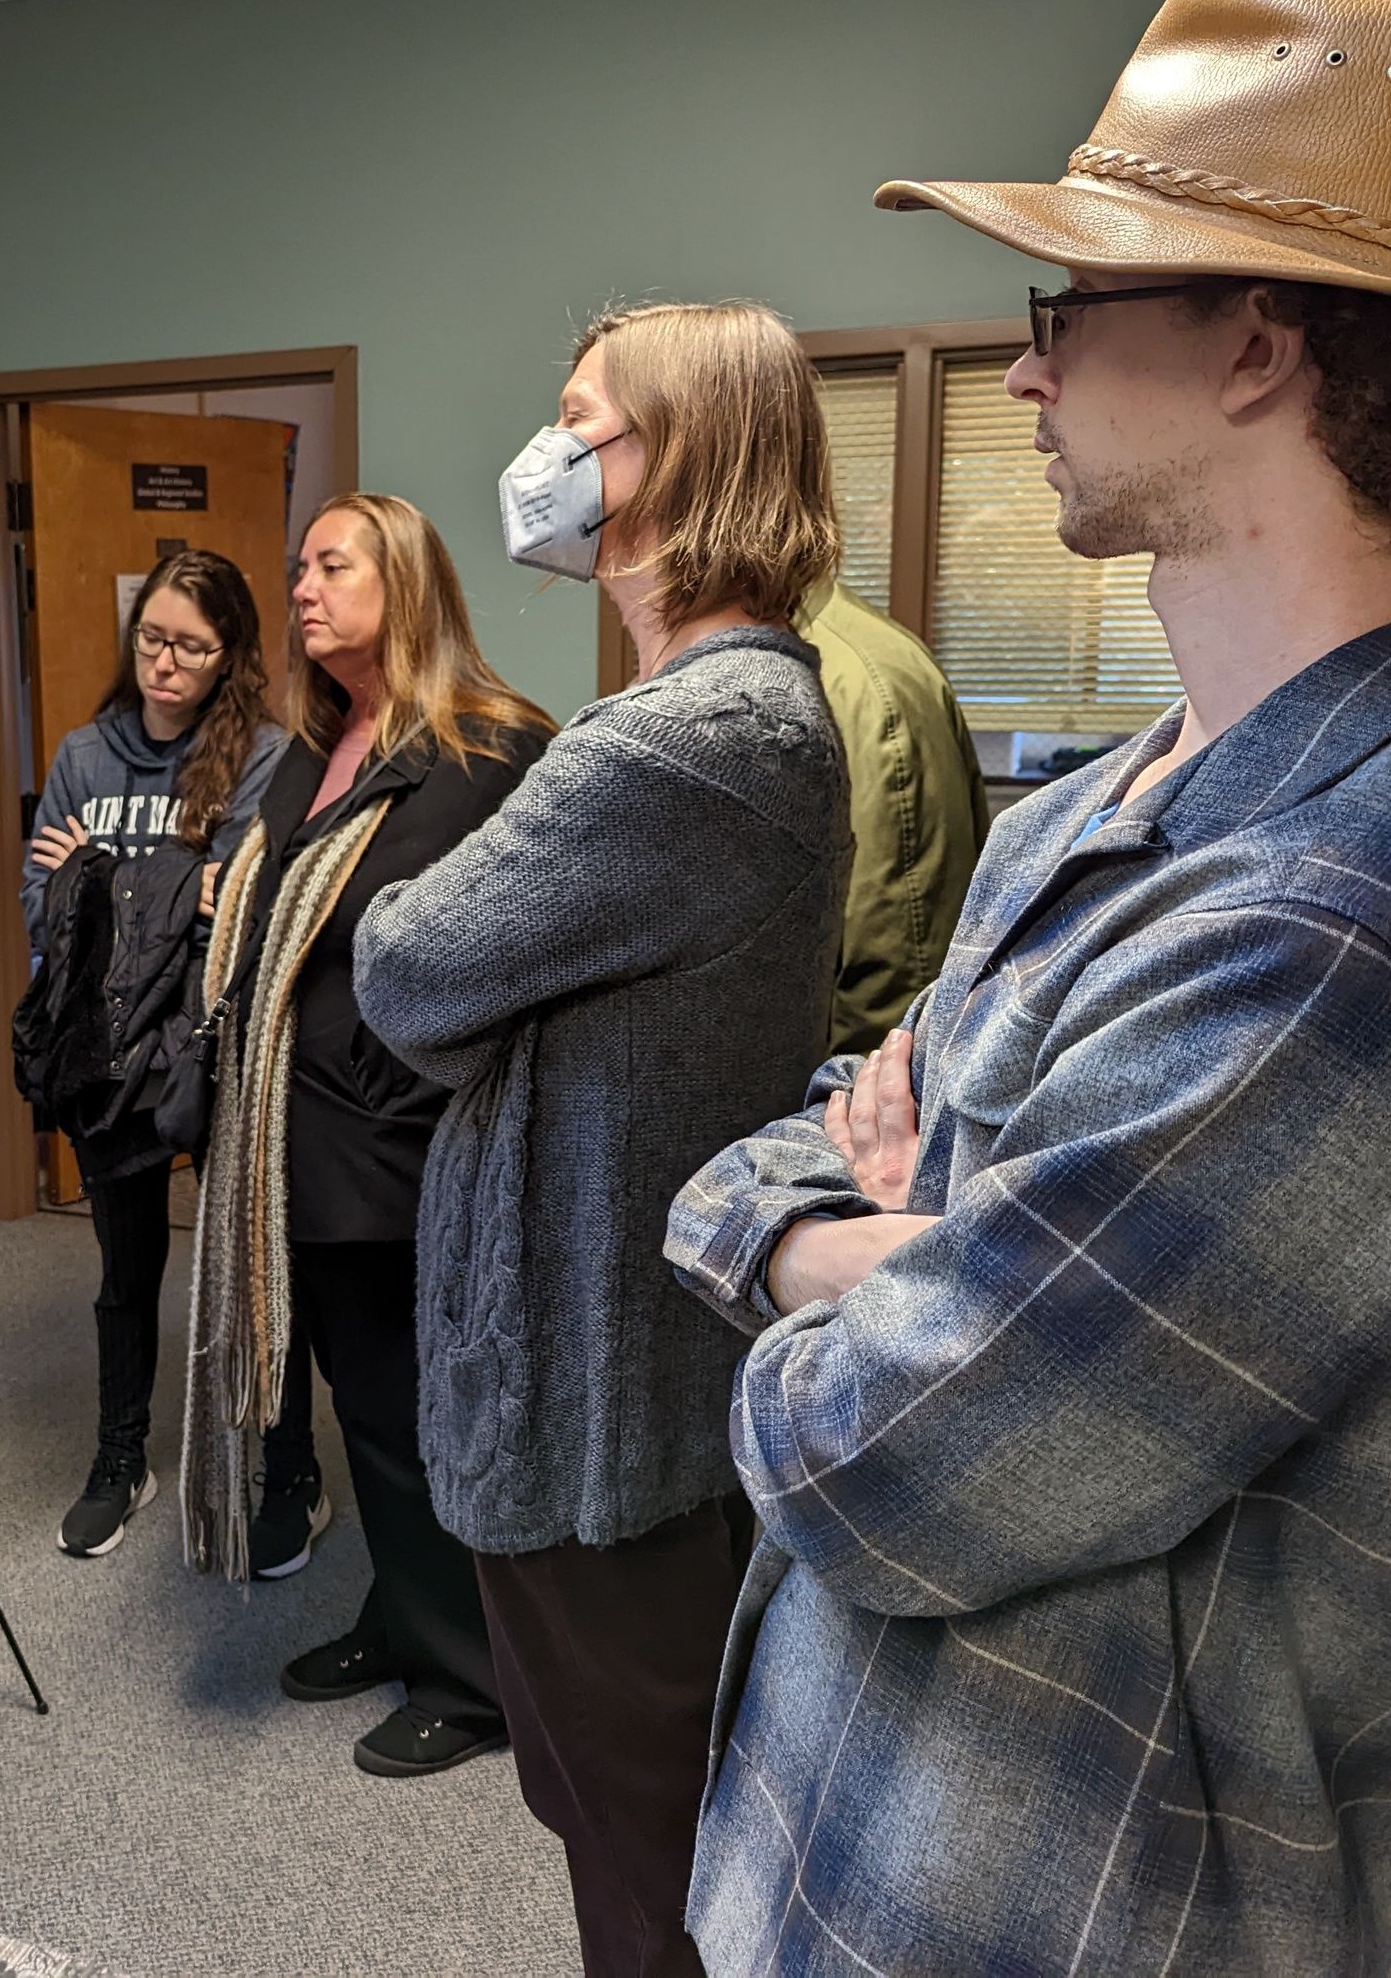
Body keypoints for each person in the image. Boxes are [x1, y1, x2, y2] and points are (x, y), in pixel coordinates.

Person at [665, 0, 1391, 1977]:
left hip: (1052, 1908)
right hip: (846, 1826)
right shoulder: (1113, 797)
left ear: (1252, 345)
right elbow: (784, 1151)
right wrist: (889, 1240)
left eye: (1065, 310)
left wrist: (849, 1253)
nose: (1024, 373)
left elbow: (883, 1464)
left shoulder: (1368, 927)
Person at [352, 303, 851, 1975]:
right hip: (615, 1358)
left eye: (582, 421)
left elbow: (405, 965)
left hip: (597, 1389)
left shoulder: (692, 740)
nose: (545, 457)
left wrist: (457, 962)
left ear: (685, 457)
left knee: (647, 1841)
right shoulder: (703, 712)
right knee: (620, 1809)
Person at [182, 492, 553, 1777]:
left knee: (413, 1413)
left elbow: (516, 956)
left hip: (403, 1153)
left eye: (330, 564)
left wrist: (396, 1095)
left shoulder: (489, 748)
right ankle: (401, 1612)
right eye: (297, 566)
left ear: (403, 582)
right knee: (359, 1405)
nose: (300, 586)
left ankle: (472, 1671)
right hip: (300, 1146)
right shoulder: (318, 743)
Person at [22, 549, 284, 1558]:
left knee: (247, 1262)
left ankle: (275, 1463)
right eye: (151, 639)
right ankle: (119, 1456)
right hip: (108, 1051)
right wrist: (170, 890)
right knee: (125, 1269)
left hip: (209, 1040)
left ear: (228, 657)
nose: (164, 662)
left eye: (190, 645)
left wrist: (104, 879)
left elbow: (242, 911)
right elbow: (44, 906)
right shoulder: (85, 753)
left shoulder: (258, 757)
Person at [798, 576, 992, 1054]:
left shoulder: (854, 677)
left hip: (840, 1093)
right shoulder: (818, 655)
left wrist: (833, 1109)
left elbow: (894, 966)